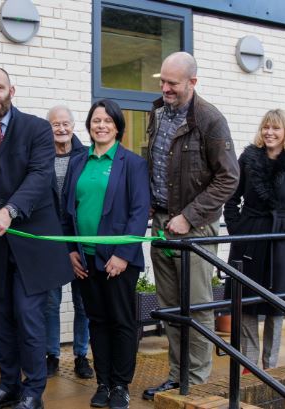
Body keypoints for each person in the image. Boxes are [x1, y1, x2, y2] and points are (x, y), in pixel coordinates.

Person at [0, 67, 74, 409]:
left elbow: (40, 176)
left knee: (28, 318)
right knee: (0, 322)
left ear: (12, 89)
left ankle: (32, 390)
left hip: (32, 246)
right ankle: (8, 386)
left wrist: (9, 211)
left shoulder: (37, 129)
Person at [142, 52, 240, 400]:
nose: (165, 88)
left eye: (173, 83)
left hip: (194, 227)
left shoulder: (210, 119)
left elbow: (229, 178)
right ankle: (176, 376)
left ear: (192, 83)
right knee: (170, 309)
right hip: (162, 224)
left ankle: (196, 386)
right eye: (162, 81)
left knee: (196, 310)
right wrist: (150, 206)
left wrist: (189, 216)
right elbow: (152, 163)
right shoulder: (156, 114)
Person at [63, 99, 150, 409]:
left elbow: (140, 212)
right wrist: (71, 250)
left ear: (117, 126)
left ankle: (120, 386)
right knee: (96, 322)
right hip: (85, 260)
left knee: (121, 322)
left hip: (118, 262)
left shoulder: (133, 163)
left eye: (107, 121)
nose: (100, 125)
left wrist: (123, 255)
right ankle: (103, 383)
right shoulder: (78, 162)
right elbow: (67, 210)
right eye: (95, 120)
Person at [223, 109, 285, 370]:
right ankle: (250, 363)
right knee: (246, 300)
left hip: (279, 239)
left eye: (275, 128)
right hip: (249, 236)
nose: (269, 132)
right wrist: (236, 227)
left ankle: (270, 364)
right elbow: (232, 197)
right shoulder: (248, 158)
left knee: (276, 301)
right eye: (266, 127)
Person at [43, 105, 94, 380]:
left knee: (82, 302)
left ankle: (81, 355)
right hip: (51, 239)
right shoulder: (41, 156)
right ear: (48, 127)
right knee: (51, 302)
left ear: (74, 126)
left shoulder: (86, 156)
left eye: (66, 124)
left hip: (79, 235)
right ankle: (52, 354)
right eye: (55, 124)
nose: (61, 129)